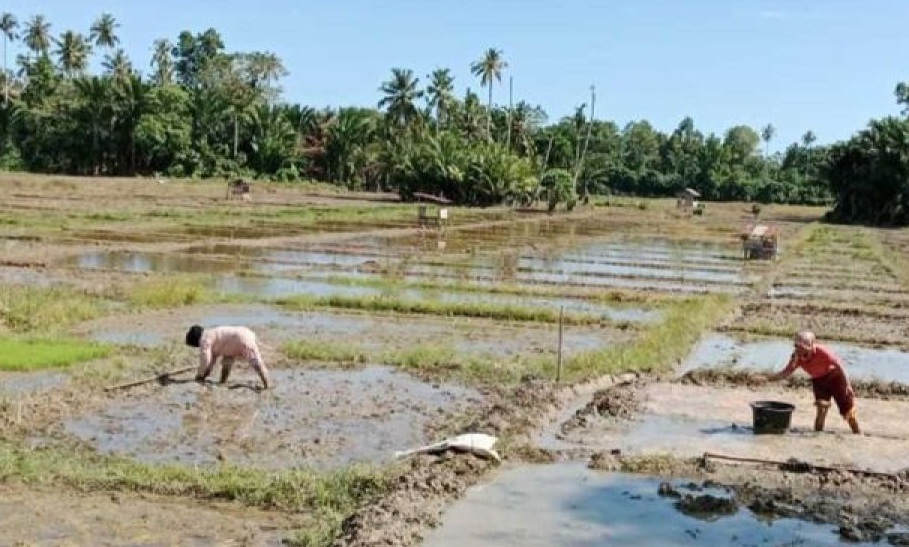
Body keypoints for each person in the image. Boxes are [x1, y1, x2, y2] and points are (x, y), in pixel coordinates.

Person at [762, 330, 859, 434]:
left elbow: (839, 365)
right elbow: (787, 372)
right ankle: (818, 435)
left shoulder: (822, 352)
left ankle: (857, 433)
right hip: (819, 381)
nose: (799, 351)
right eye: (797, 347)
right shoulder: (796, 357)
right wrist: (768, 379)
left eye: (802, 347)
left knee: (848, 413)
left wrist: (847, 385)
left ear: (812, 346)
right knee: (821, 410)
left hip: (835, 378)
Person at [185, 324, 271, 390]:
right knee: (228, 361)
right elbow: (211, 361)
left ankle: (267, 385)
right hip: (238, 337)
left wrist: (200, 375)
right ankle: (223, 381)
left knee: (256, 363)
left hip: (241, 338)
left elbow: (206, 360)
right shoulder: (211, 334)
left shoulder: (204, 340)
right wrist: (205, 374)